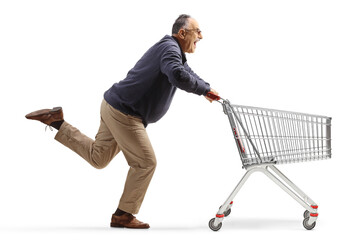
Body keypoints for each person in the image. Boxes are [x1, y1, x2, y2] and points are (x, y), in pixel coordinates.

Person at [25, 14, 218, 229]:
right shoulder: (170, 50)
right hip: (125, 114)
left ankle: (56, 122)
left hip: (112, 105)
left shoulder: (172, 50)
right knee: (146, 163)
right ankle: (123, 215)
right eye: (197, 31)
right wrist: (202, 89)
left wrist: (206, 89)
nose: (201, 36)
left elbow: (184, 70)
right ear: (182, 33)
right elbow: (177, 75)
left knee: (98, 158)